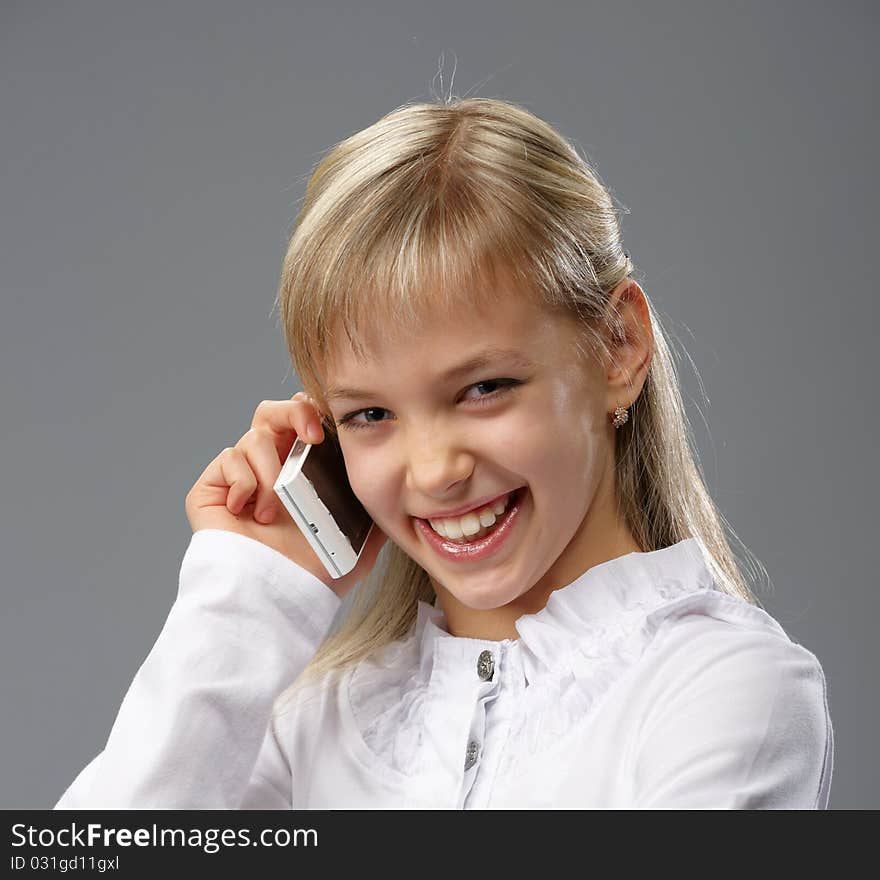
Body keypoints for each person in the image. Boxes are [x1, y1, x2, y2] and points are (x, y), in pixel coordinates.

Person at [54, 97, 833, 809]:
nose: (433, 471)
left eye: (485, 388)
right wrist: (249, 598)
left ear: (618, 346)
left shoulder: (724, 691)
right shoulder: (313, 727)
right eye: (368, 413)